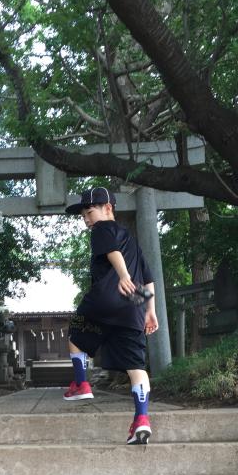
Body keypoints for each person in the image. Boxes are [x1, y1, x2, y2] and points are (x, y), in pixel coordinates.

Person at [63, 186, 159, 445]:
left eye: (90, 211)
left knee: (76, 333)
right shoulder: (134, 244)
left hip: (106, 300)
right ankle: (141, 419)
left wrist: (123, 276)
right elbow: (149, 280)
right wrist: (150, 312)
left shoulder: (103, 228)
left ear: (108, 208)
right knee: (136, 367)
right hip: (133, 309)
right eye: (83, 214)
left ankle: (81, 384)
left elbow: (111, 251)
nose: (86, 218)